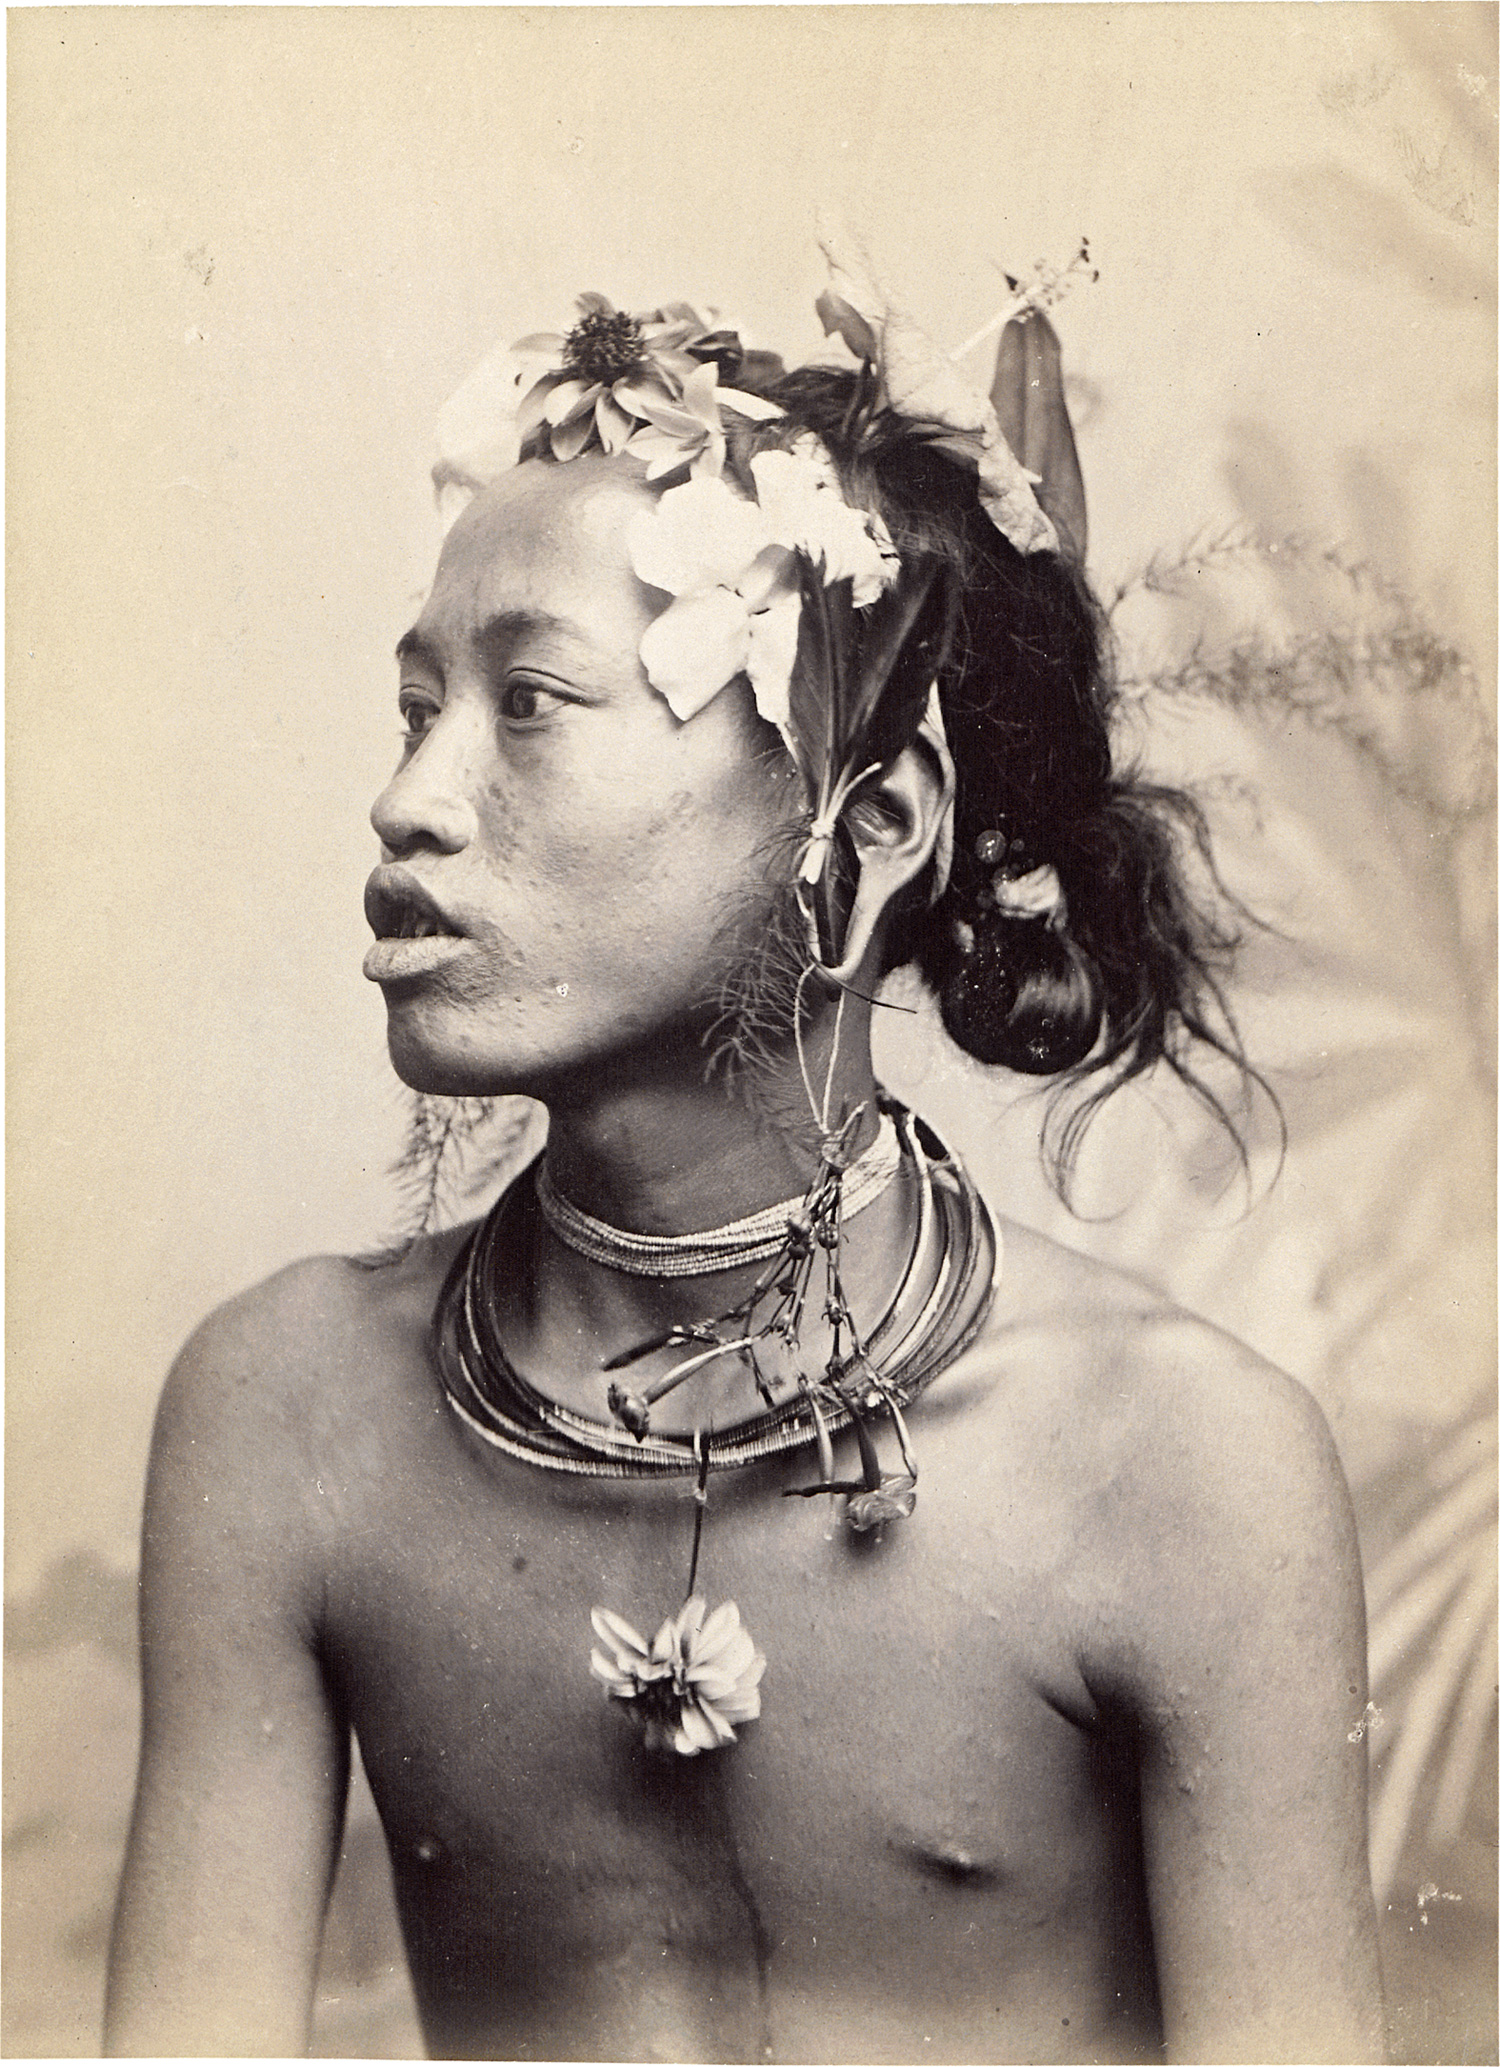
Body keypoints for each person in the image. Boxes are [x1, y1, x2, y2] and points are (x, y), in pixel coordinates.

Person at [105, 244, 1385, 2064]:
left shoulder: (1180, 1468)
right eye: (417, 707)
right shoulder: (283, 1415)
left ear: (864, 831)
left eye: (530, 704)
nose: (409, 800)